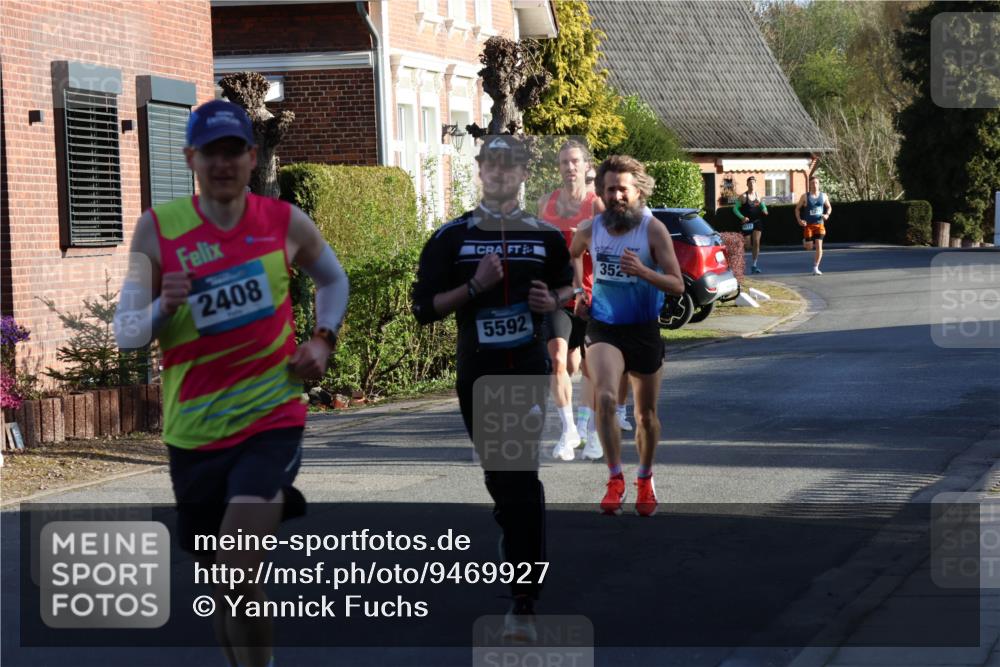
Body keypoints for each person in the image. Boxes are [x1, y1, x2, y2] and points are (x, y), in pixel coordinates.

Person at [114, 100, 349, 667]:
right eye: (211, 153)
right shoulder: (157, 229)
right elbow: (124, 333)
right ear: (191, 158)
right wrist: (162, 310)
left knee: (239, 566)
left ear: (251, 156)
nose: (223, 164)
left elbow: (333, 279)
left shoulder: (283, 221)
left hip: (271, 419)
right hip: (193, 432)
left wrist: (321, 340)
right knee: (223, 587)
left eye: (233, 151)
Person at [411, 134, 574, 641]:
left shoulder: (546, 237)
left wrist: (554, 304)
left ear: (524, 173)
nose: (501, 174)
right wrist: (474, 287)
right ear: (480, 170)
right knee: (501, 480)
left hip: (524, 371)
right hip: (476, 373)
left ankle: (524, 598)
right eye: (492, 165)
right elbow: (423, 308)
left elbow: (570, 292)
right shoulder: (450, 238)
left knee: (519, 476)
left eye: (512, 166)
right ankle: (513, 532)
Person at [570, 155, 683, 517]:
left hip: (643, 329)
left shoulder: (652, 231)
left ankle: (645, 478)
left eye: (623, 189)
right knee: (604, 398)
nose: (616, 196)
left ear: (638, 192)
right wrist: (579, 292)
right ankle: (615, 477)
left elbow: (677, 284)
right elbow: (573, 254)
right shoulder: (591, 229)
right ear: (600, 192)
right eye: (609, 189)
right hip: (604, 327)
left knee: (645, 414)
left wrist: (642, 271)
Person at [536, 139, 604, 462]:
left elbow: (610, 253)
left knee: (586, 367)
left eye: (575, 161)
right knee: (558, 360)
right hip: (558, 295)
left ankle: (588, 427)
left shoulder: (596, 206)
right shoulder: (546, 204)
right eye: (564, 162)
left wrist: (587, 241)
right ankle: (568, 431)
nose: (570, 167)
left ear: (586, 166)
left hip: (591, 297)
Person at [795, 175, 832, 275]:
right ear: (809, 185)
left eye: (816, 183)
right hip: (809, 225)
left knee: (819, 246)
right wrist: (799, 220)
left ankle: (816, 267)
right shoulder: (805, 196)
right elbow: (797, 209)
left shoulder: (823, 196)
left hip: (819, 224)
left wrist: (827, 214)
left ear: (819, 184)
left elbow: (829, 207)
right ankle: (805, 241)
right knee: (809, 247)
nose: (814, 185)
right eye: (812, 183)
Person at [733, 176, 769, 273]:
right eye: (750, 183)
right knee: (748, 245)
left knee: (756, 242)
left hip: (757, 222)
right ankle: (737, 256)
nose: (752, 184)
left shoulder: (758, 195)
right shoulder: (743, 197)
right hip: (747, 223)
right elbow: (735, 209)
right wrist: (742, 217)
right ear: (747, 184)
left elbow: (762, 205)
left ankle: (754, 265)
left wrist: (765, 210)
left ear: (755, 184)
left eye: (753, 182)